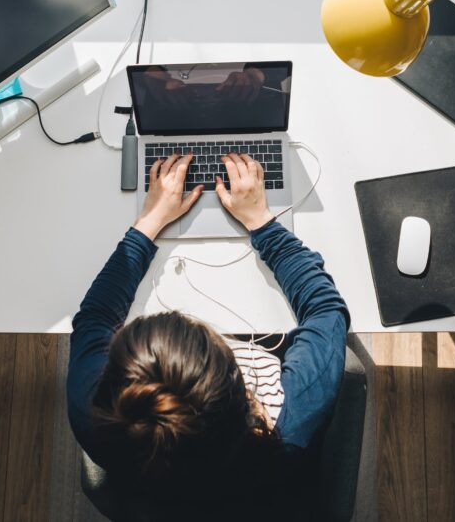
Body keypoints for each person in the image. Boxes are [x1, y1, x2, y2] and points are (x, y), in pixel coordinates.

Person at [67, 151, 349, 519]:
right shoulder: (287, 428)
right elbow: (326, 309)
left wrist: (150, 221)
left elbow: (96, 317)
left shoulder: (91, 411)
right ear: (242, 387)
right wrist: (262, 223)